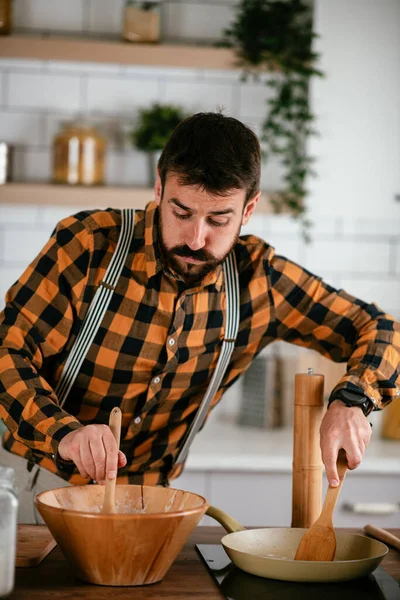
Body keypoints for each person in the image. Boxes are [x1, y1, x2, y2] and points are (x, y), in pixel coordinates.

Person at [0, 112, 399, 514]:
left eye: (218, 220)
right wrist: (64, 433)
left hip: (148, 504)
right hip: (35, 483)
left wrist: (353, 400)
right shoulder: (88, 245)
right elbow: (7, 352)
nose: (195, 239)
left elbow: (381, 328)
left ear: (248, 210)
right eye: (182, 212)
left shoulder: (260, 281)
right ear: (159, 186)